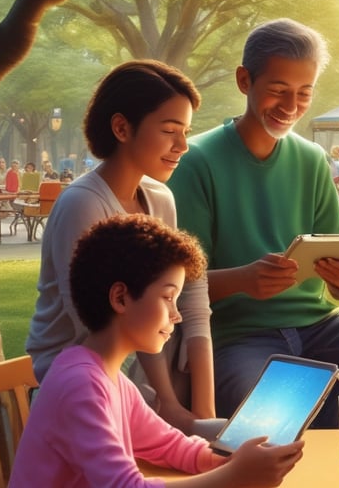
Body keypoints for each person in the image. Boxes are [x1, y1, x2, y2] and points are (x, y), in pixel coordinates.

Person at [167, 18, 339, 428]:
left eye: (304, 93)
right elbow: (177, 284)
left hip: (324, 327)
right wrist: (243, 280)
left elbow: (338, 272)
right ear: (245, 80)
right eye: (278, 90)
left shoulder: (311, 159)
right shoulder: (197, 162)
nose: (291, 106)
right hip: (240, 339)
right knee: (274, 410)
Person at [10, 214, 303, 487]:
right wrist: (233, 476)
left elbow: (171, 446)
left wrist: (232, 461)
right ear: (120, 298)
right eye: (168, 297)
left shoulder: (111, 380)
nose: (177, 315)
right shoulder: (81, 385)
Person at [25, 60, 213, 434]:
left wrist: (205, 411)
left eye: (186, 132)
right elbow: (101, 326)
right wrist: (169, 407)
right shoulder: (83, 204)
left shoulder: (160, 198)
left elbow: (189, 297)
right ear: (122, 127)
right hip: (83, 375)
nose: (183, 146)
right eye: (169, 130)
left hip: (143, 357)